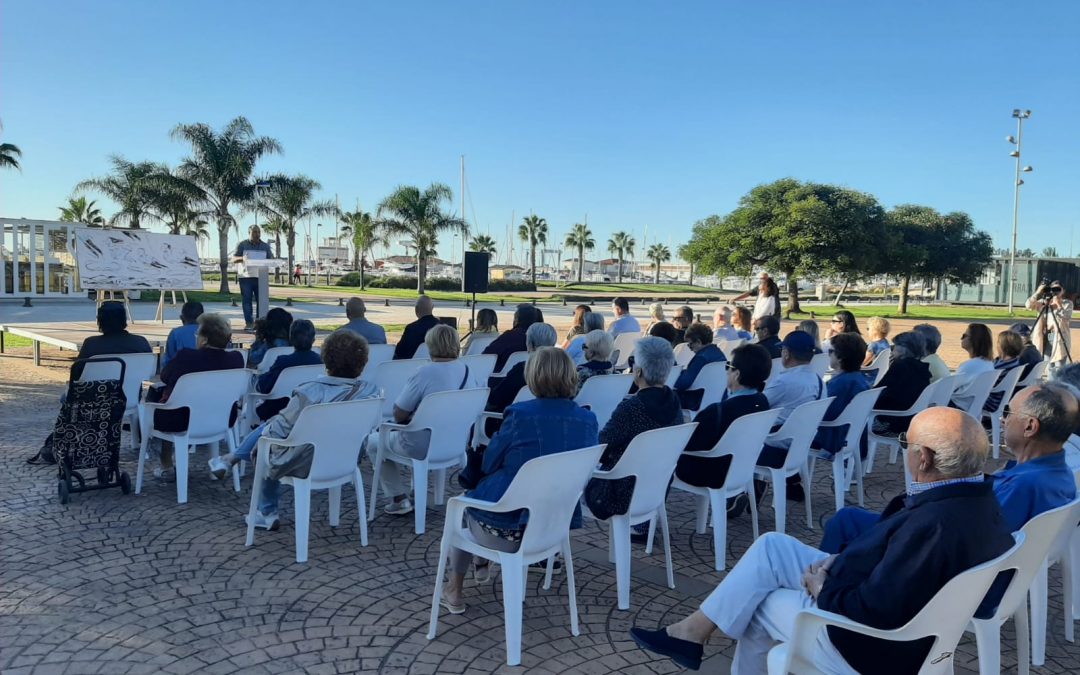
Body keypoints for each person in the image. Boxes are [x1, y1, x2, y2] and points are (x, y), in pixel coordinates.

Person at [631, 406, 1015, 674]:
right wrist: (841, 560)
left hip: (868, 644)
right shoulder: (978, 500)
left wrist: (823, 588)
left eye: (905, 443)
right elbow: (895, 564)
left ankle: (693, 635)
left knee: (760, 603)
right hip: (884, 605)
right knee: (771, 546)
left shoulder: (935, 525)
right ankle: (690, 632)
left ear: (924, 458)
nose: (905, 453)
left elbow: (877, 610)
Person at [437, 347, 599, 614]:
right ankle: (480, 562)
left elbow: (489, 462)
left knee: (464, 503)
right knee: (481, 498)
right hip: (553, 528)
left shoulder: (520, 415)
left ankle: (454, 588)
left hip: (508, 530)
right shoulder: (588, 420)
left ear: (533, 376)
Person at [822, 383, 1077, 552]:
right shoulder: (1057, 474)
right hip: (987, 561)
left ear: (1030, 427)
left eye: (1009, 412)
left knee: (846, 520)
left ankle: (821, 600)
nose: (1003, 418)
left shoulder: (1025, 486)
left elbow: (968, 537)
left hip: (949, 566)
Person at [212, 330, 381, 529]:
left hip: (306, 461)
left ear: (326, 359)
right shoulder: (372, 393)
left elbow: (276, 433)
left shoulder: (308, 393)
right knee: (275, 432)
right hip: (345, 459)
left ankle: (266, 511)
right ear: (362, 362)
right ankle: (232, 461)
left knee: (268, 440)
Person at [368, 324, 480, 515]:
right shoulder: (467, 371)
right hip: (455, 443)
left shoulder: (424, 373)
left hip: (421, 445)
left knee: (372, 442)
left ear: (431, 345)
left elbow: (399, 414)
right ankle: (413, 493)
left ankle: (398, 498)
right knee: (415, 429)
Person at [584, 337, 683, 524]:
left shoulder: (632, 408)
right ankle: (642, 525)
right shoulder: (674, 402)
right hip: (657, 487)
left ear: (638, 372)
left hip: (618, 493)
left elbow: (602, 445)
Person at [147, 314, 245, 478]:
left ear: (204, 339)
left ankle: (166, 464)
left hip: (182, 420)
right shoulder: (236, 359)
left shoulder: (186, 357)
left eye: (197, 334)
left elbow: (165, 376)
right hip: (222, 418)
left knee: (163, 402)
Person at [676, 344, 772, 509]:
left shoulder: (718, 411)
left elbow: (687, 444)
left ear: (737, 374)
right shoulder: (763, 403)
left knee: (664, 462)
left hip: (713, 472)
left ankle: (643, 524)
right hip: (743, 470)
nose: (726, 370)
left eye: (729, 366)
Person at [813, 333, 871, 457]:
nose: (829, 355)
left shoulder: (840, 384)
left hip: (834, 439)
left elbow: (825, 414)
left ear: (840, 357)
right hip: (853, 437)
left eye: (830, 351)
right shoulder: (860, 379)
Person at [486, 322, 559, 416]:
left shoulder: (522, 370)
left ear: (530, 344)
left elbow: (495, 400)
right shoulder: (560, 370)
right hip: (550, 418)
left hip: (513, 419)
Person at [870, 331, 931, 435]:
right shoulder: (923, 369)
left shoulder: (899, 367)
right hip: (911, 418)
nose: (892, 349)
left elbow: (880, 391)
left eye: (894, 346)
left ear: (903, 350)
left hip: (890, 420)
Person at [73, 301, 153, 380]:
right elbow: (149, 370)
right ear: (124, 319)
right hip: (130, 391)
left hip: (95, 391)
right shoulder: (141, 342)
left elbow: (76, 373)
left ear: (100, 321)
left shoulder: (91, 344)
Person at [256, 319, 323, 394]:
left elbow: (263, 387)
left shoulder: (283, 361)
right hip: (308, 404)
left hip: (280, 404)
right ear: (313, 340)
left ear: (291, 339)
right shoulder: (321, 362)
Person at [673, 323, 726, 408]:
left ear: (698, 342)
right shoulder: (718, 353)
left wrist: (672, 376)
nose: (689, 348)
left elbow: (683, 383)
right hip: (717, 398)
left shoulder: (701, 358)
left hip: (696, 400)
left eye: (690, 344)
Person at [232, 225, 274, 331]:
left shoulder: (265, 246)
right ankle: (249, 323)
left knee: (261, 301)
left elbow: (271, 259)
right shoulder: (242, 244)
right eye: (254, 232)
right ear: (249, 232)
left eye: (259, 232)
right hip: (246, 277)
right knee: (247, 301)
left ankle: (260, 323)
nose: (257, 234)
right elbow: (233, 259)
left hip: (261, 277)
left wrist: (273, 260)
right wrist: (242, 258)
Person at [1027, 280, 1074, 369]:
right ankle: (1050, 381)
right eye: (1053, 289)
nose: (1055, 292)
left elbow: (1066, 317)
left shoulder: (1067, 303)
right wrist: (1038, 292)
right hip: (1048, 336)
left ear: (1063, 291)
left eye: (1058, 289)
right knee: (1048, 364)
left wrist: (1059, 304)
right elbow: (1028, 305)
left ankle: (1058, 382)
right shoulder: (1045, 302)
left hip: (1060, 337)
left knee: (1059, 366)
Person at [950, 323, 995, 411]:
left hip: (958, 407)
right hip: (973, 407)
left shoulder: (971, 365)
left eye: (964, 336)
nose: (961, 338)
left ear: (974, 340)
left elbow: (949, 387)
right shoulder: (988, 363)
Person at [483, 303, 538, 371]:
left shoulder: (509, 336)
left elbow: (487, 354)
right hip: (530, 377)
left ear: (517, 319)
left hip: (502, 377)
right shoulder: (539, 337)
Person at [984, 330, 1026, 411]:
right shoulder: (1015, 362)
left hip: (992, 402)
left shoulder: (1001, 367)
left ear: (1002, 346)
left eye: (998, 342)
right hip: (1002, 399)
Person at [394, 295, 440, 360]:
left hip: (413, 366)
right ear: (432, 308)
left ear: (416, 309)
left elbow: (399, 352)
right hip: (438, 365)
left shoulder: (411, 329)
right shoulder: (444, 328)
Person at [161, 301, 204, 369]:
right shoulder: (211, 331)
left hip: (181, 373)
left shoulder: (176, 333)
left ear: (182, 318)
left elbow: (168, 359)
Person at [575, 329, 615, 394]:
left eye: (584, 346)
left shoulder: (581, 371)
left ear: (591, 352)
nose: (584, 350)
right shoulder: (614, 372)